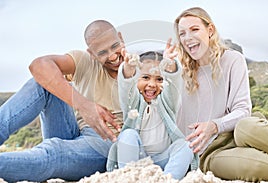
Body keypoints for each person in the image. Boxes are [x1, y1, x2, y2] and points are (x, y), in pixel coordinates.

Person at [174, 7, 268, 182]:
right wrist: (167, 68)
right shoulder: (178, 73)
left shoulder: (233, 60)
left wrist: (215, 125)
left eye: (194, 29)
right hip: (211, 151)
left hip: (238, 132)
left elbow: (242, 110)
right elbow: (155, 102)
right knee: (254, 166)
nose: (188, 38)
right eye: (182, 34)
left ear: (210, 30)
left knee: (247, 125)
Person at [0, 20, 124, 182]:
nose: (113, 56)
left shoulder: (140, 67)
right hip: (75, 133)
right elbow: (39, 65)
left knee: (54, 151)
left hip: (107, 143)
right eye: (102, 52)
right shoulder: (85, 61)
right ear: (92, 53)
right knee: (42, 83)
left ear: (121, 38)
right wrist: (84, 106)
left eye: (115, 46)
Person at [106, 41, 197, 180]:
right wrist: (129, 68)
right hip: (136, 160)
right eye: (146, 77)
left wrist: (170, 64)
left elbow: (173, 85)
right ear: (137, 79)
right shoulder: (133, 103)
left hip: (163, 161)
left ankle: (168, 179)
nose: (152, 84)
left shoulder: (167, 102)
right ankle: (128, 177)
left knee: (185, 145)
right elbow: (127, 89)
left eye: (159, 79)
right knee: (128, 135)